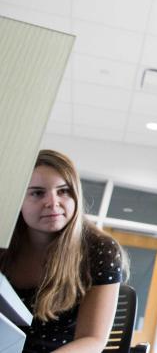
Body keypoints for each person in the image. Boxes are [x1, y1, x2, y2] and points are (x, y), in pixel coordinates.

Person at [0, 150, 127, 353]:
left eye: (63, 191)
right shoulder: (3, 238)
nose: (53, 202)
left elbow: (92, 339)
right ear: (18, 198)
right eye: (37, 193)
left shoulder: (100, 250)